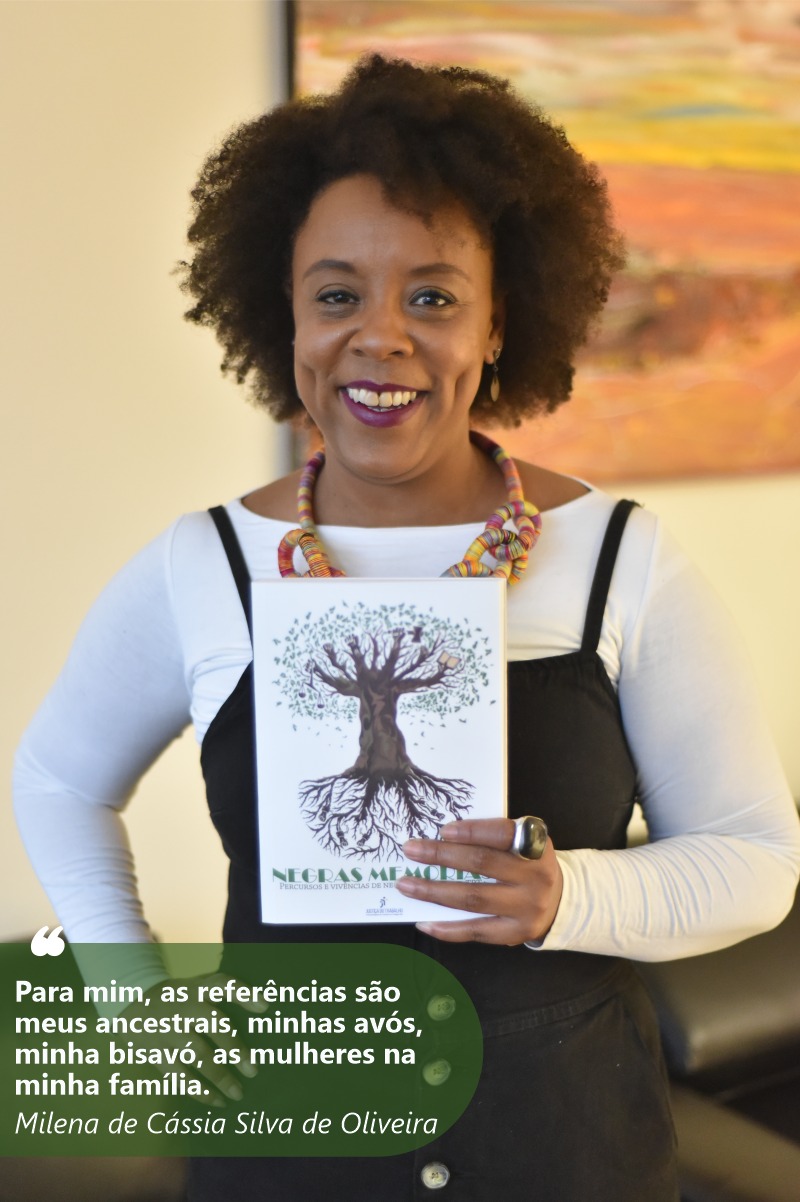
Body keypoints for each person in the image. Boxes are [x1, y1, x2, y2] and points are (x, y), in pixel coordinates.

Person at [14, 54, 800, 1201]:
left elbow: (755, 857)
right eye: (336, 294)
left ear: (497, 326)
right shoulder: (208, 565)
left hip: (566, 1151)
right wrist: (135, 1002)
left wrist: (566, 896)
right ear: (283, 318)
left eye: (431, 296)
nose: (379, 335)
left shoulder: (618, 560)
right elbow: (55, 778)